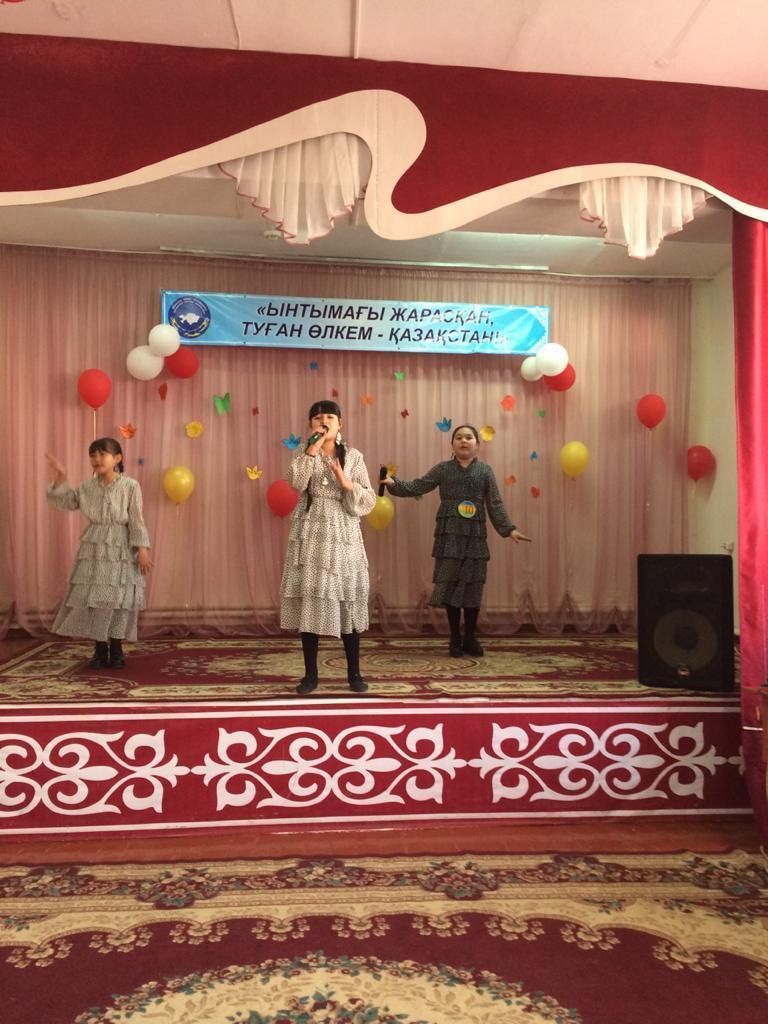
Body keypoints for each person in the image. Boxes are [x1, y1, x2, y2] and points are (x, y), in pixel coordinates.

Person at [385, 424, 531, 657]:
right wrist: (394, 484)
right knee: (451, 585)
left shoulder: (485, 471)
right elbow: (419, 486)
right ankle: (454, 638)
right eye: (459, 437)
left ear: (477, 445)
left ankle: (470, 638)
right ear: (452, 444)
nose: (464, 441)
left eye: (469, 437)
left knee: (473, 586)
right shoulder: (443, 469)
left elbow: (495, 503)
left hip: (475, 536)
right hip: (449, 534)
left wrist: (509, 529)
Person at [280, 400, 376, 695]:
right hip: (310, 532)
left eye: (330, 417)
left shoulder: (354, 456)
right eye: (318, 418)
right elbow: (295, 482)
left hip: (343, 532)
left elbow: (368, 500)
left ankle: (354, 674)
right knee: (311, 596)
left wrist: (346, 482)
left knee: (346, 598)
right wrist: (312, 449)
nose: (324, 422)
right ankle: (310, 675)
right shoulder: (303, 451)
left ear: (340, 423)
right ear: (310, 424)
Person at [45, 438, 152, 669]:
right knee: (96, 599)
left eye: (102, 454)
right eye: (93, 455)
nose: (96, 459)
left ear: (117, 458)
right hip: (93, 547)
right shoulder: (86, 488)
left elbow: (136, 519)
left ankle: (117, 648)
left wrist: (142, 549)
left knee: (118, 598)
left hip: (122, 547)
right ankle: (100, 648)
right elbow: (66, 502)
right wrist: (61, 476)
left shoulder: (130, 486)